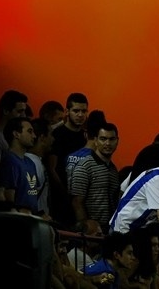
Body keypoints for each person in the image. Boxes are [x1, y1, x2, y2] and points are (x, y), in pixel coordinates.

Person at [70, 123, 120, 234]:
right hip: (91, 232)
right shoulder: (85, 165)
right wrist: (86, 229)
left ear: (117, 141)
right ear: (96, 141)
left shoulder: (113, 169)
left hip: (109, 230)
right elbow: (77, 201)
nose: (107, 143)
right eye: (103, 139)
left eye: (112, 139)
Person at [47, 92, 88, 221]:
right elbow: (51, 167)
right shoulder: (58, 135)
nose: (80, 115)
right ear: (67, 111)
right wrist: (64, 192)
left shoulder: (86, 136)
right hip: (60, 198)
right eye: (76, 111)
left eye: (83, 111)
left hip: (82, 197)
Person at [0, 117, 39, 213]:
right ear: (16, 134)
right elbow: (8, 197)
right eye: (30, 131)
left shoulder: (30, 163)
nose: (34, 136)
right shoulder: (10, 162)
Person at [0, 90, 28, 180]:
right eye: (19, 111)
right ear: (6, 111)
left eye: (24, 111)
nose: (23, 115)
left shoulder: (14, 135)